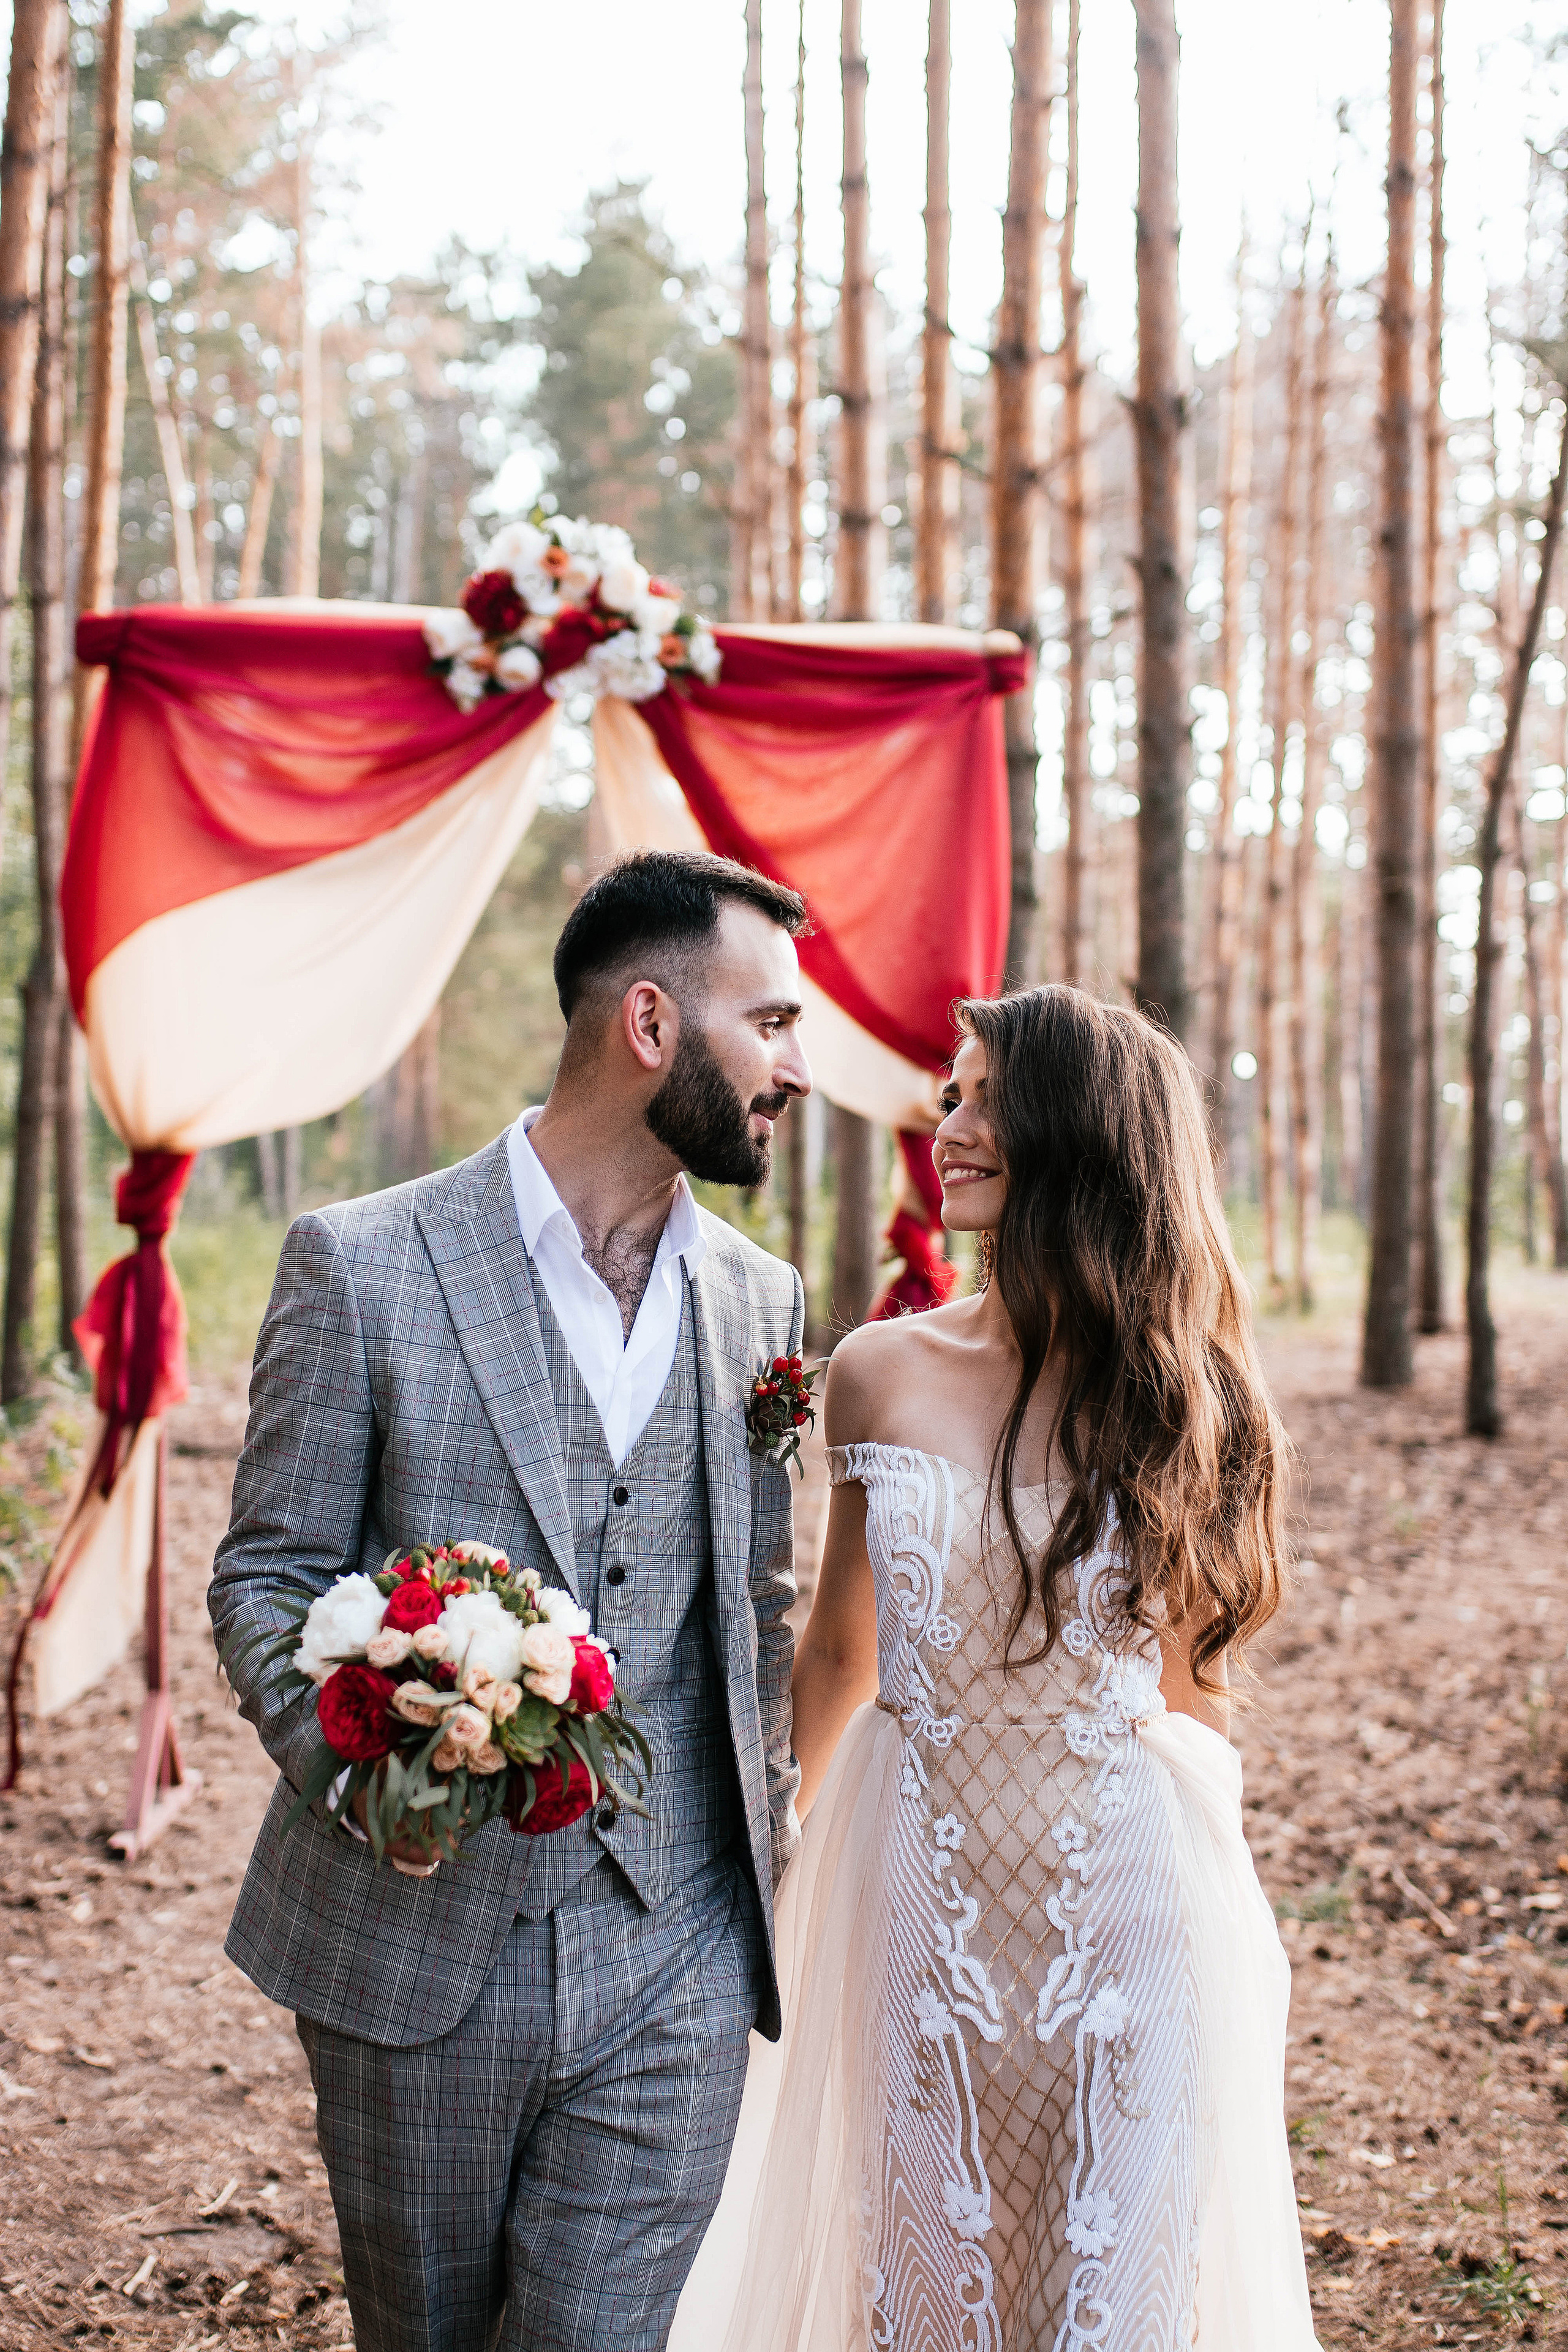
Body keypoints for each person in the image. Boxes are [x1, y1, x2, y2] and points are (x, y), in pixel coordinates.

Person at [209, 848, 814, 2352]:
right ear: (651, 1024)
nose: (795, 1070)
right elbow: (268, 1575)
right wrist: (375, 1760)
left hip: (676, 1950)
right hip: (414, 1947)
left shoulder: (761, 1300)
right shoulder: (362, 1265)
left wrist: (768, 1847)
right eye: (771, 1024)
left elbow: (756, 1603)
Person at [671, 985, 1321, 2352]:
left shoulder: (1184, 1391)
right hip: (917, 1883)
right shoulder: (876, 1371)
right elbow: (839, 1648)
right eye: (951, 1098)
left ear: (1081, 1134)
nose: (950, 1129)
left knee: (1116, 2281)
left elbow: (1191, 1689)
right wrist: (753, 1863)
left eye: (986, 1101)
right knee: (927, 2264)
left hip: (1126, 1893)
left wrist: (1222, 1910)